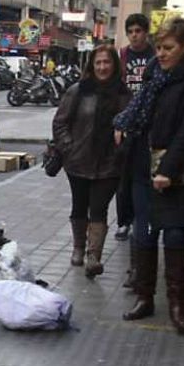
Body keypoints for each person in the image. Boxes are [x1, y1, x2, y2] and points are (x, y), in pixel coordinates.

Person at [114, 18, 184, 334]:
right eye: (159, 47)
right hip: (144, 165)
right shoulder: (154, 75)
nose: (161, 53)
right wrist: (124, 125)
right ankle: (145, 298)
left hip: (177, 171)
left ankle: (177, 304)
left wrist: (168, 170)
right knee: (143, 232)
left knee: (173, 234)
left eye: (168, 47)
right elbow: (139, 113)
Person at [52, 45, 132, 278]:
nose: (102, 67)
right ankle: (78, 247)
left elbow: (131, 125)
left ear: (114, 65)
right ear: (91, 65)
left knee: (99, 208)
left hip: (109, 163)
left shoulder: (123, 94)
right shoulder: (78, 91)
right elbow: (60, 123)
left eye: (107, 62)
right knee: (79, 205)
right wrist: (69, 147)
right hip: (78, 161)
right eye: (98, 63)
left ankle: (93, 256)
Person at [116, 14, 156, 292]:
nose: (134, 36)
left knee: (140, 185)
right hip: (126, 124)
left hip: (147, 129)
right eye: (130, 31)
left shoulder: (156, 57)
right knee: (124, 181)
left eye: (138, 31)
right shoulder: (123, 55)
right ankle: (124, 220)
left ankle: (141, 266)